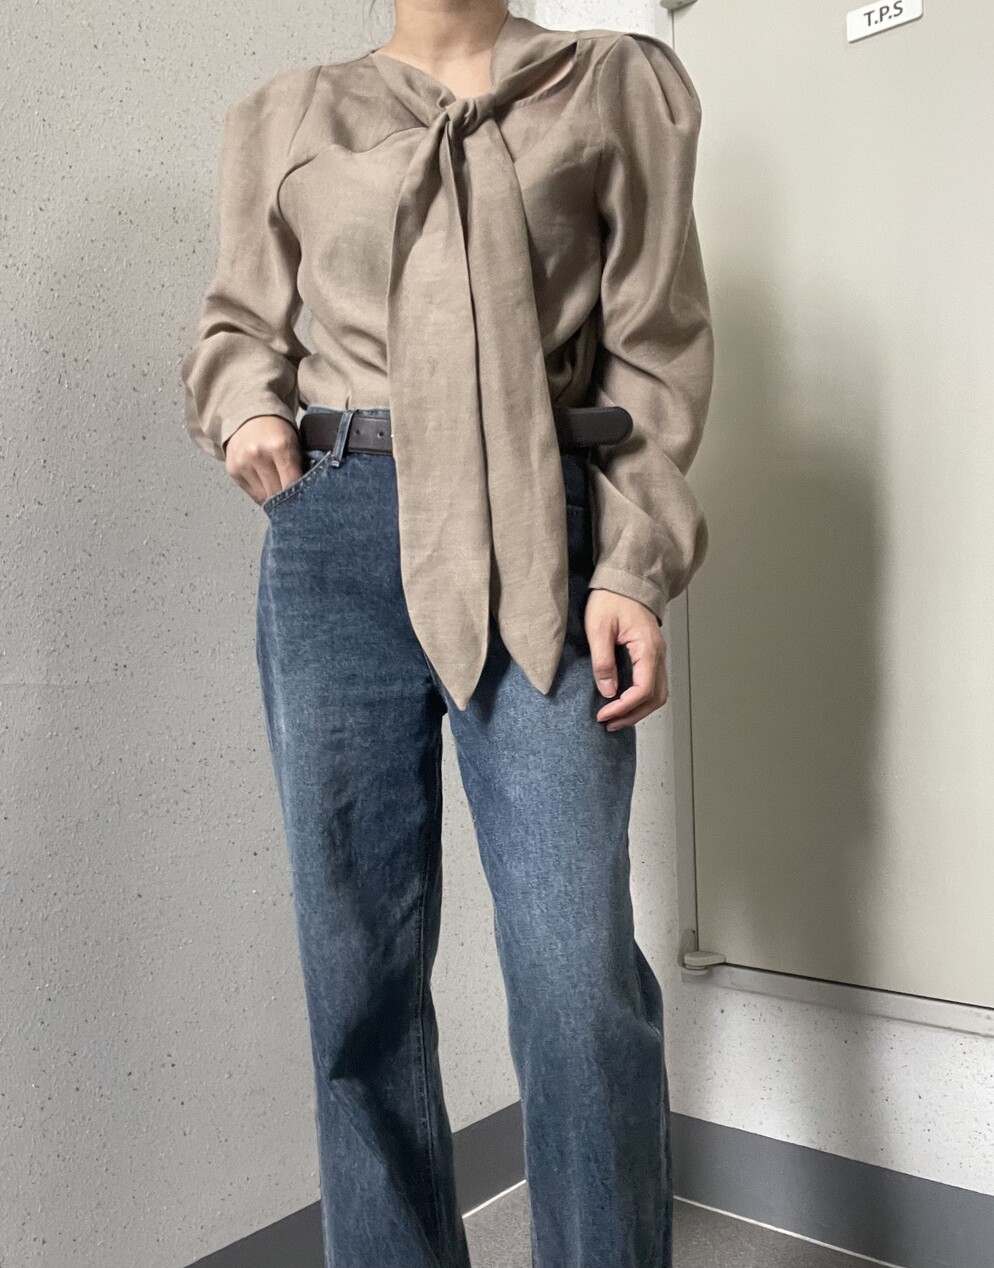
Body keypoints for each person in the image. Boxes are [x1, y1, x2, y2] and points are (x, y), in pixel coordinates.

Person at [179, 2, 713, 1264]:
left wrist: (632, 562)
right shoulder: (289, 114)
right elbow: (237, 325)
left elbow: (655, 343)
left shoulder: (610, 83)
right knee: (356, 974)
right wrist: (245, 405)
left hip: (543, 528)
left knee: (577, 975)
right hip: (337, 534)